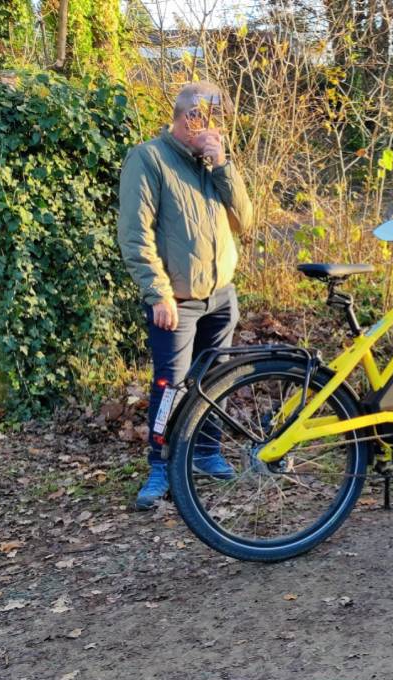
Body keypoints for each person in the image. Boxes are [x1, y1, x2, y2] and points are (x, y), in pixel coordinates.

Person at [117, 81, 254, 509]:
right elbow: (135, 233)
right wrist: (157, 293)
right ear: (188, 118)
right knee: (169, 385)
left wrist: (224, 167)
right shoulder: (149, 159)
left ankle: (206, 453)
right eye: (210, 120)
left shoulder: (213, 162)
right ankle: (160, 466)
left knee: (216, 378)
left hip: (221, 296)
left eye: (220, 122)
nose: (218, 129)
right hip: (176, 302)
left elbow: (246, 221)